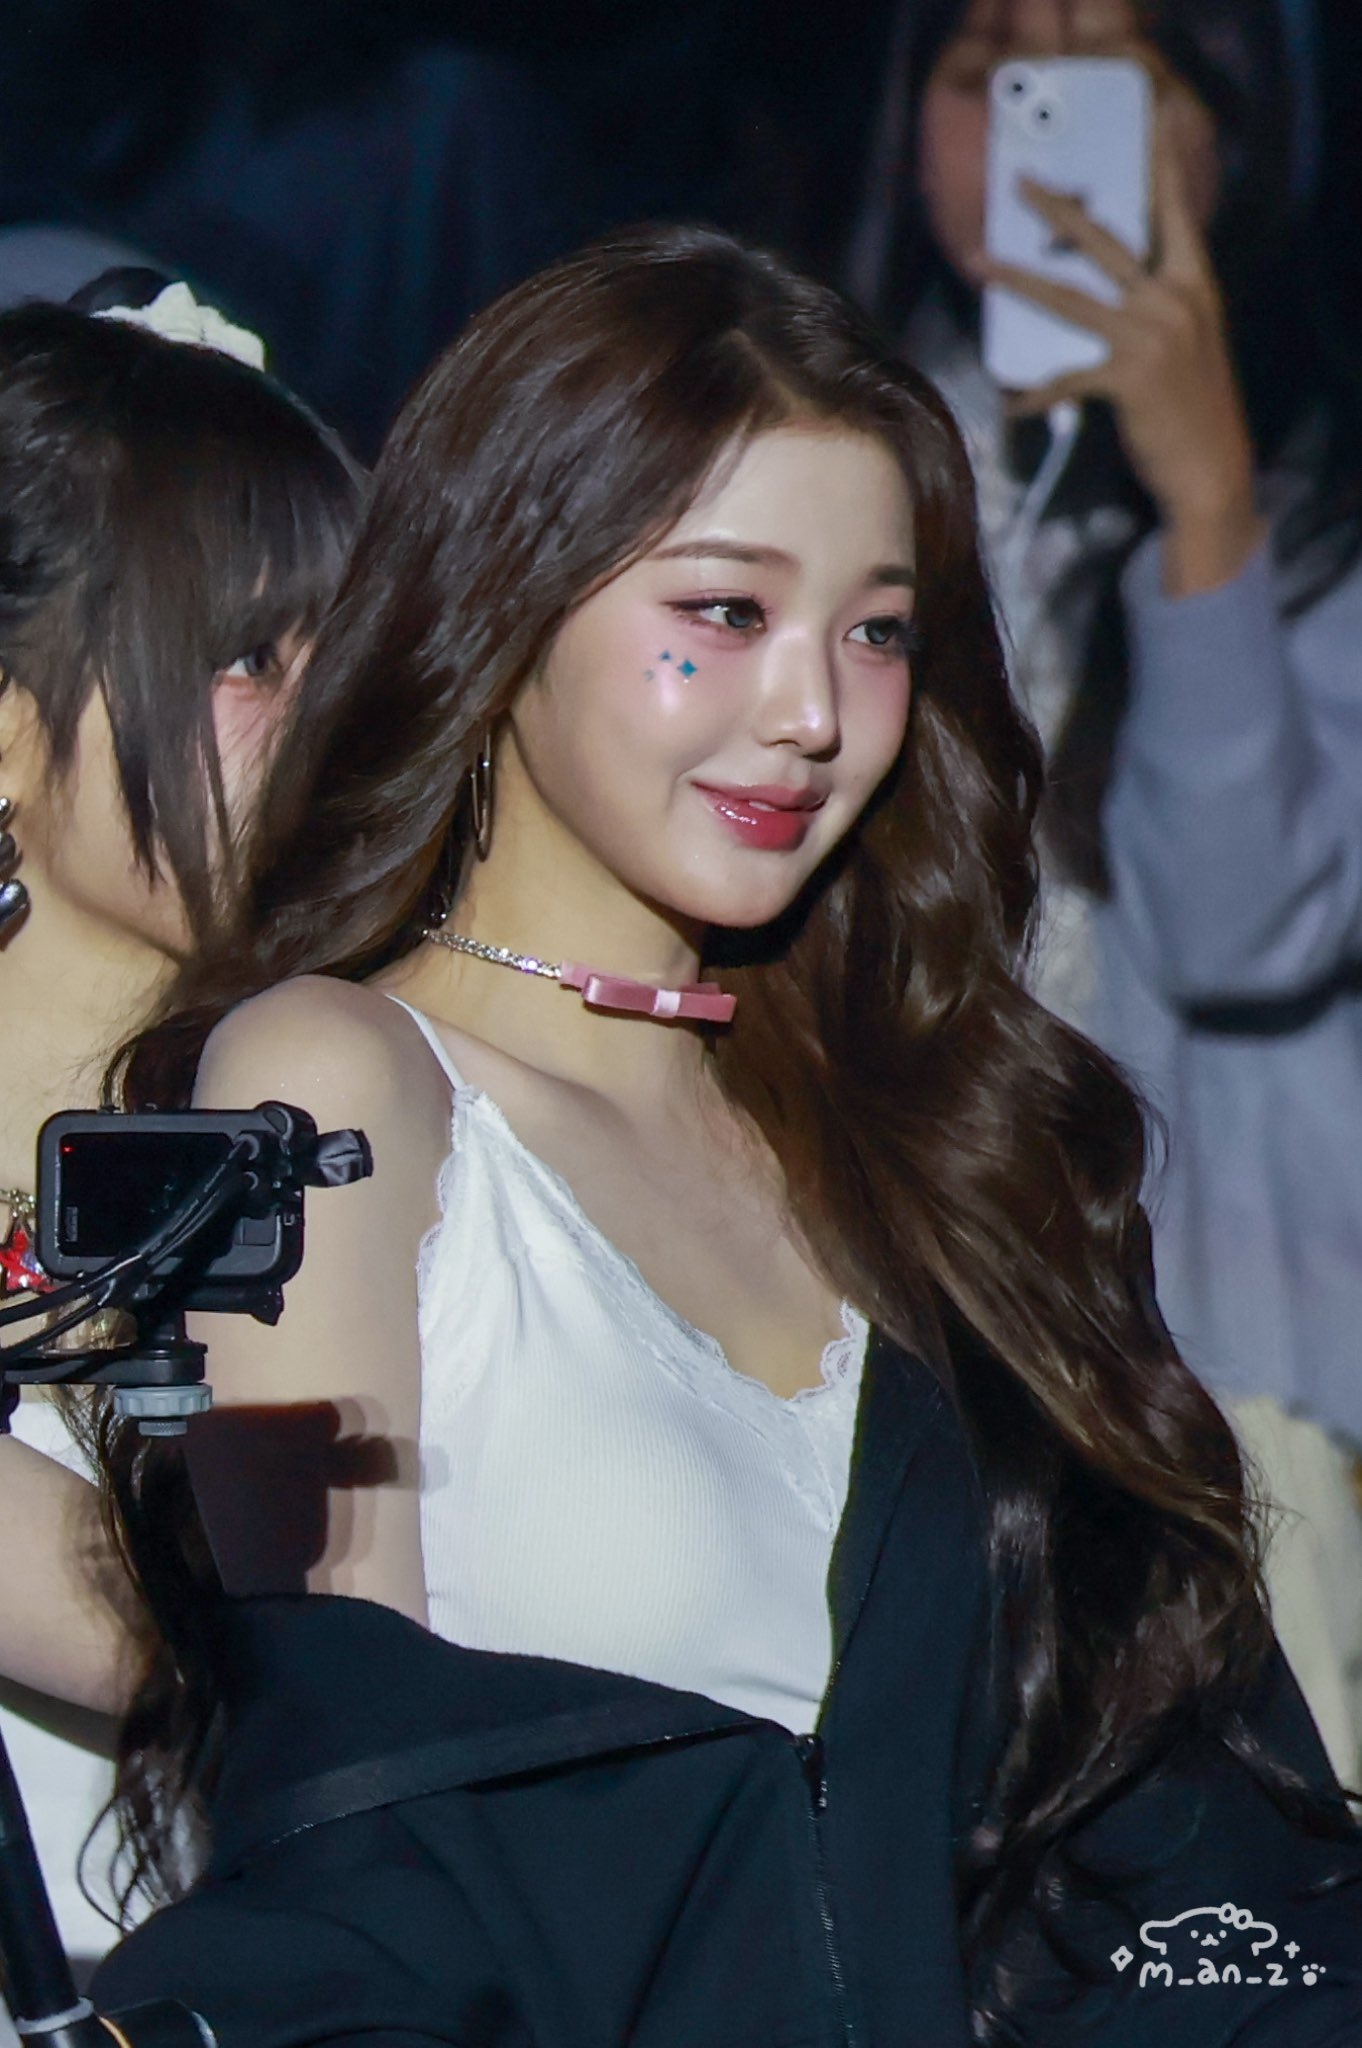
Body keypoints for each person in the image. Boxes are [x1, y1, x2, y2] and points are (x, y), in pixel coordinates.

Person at [50, 225, 1358, 2043]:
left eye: (876, 630)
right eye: (725, 614)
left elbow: (1182, 1823)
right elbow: (344, 1808)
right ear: (506, 600)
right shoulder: (346, 1080)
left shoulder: (935, 1137)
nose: (813, 714)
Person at [847, 0, 1362, 1783]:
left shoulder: (1322, 501)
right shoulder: (817, 460)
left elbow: (1242, 929)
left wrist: (1203, 506)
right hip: (908, 1288)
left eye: (1111, 78)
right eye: (985, 68)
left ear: (1242, 130)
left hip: (1234, 1327)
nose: (1034, 126)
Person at [0, 269, 360, 1969]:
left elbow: (322, 1644)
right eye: (245, 658)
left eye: (341, 654)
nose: (325, 718)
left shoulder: (356, 1110)